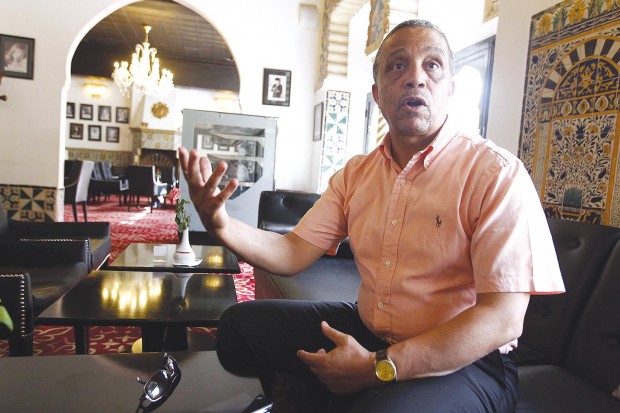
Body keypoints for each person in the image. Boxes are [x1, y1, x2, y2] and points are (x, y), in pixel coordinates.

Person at [179, 19, 565, 412]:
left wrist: (375, 368)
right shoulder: (357, 174)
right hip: (370, 330)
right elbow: (291, 252)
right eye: (398, 65)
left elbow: (502, 319)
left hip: (469, 360)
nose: (416, 77)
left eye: (432, 65)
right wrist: (221, 224)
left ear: (450, 89)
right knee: (239, 327)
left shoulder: (495, 173)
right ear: (378, 94)